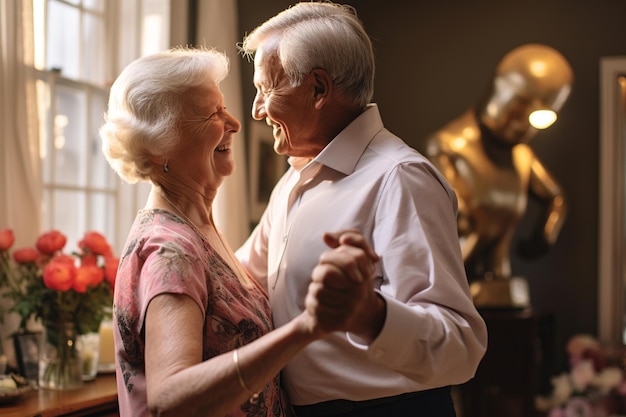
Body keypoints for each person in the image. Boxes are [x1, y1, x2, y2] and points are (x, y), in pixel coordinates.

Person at [236, 2, 488, 416]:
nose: (256, 110)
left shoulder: (401, 178)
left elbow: (461, 344)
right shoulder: (292, 183)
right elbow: (242, 278)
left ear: (318, 89)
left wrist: (370, 315)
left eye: (266, 89)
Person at [100, 47, 378, 417]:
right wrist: (307, 327)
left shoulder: (198, 230)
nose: (234, 122)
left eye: (224, 107)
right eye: (212, 114)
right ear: (157, 147)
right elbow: (170, 399)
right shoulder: (171, 250)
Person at [424, 43, 572, 306]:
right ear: (500, 90)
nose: (523, 124)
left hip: (497, 271)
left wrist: (544, 234)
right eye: (519, 107)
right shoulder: (450, 146)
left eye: (540, 115)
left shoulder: (521, 155)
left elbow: (554, 196)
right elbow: (455, 213)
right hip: (452, 271)